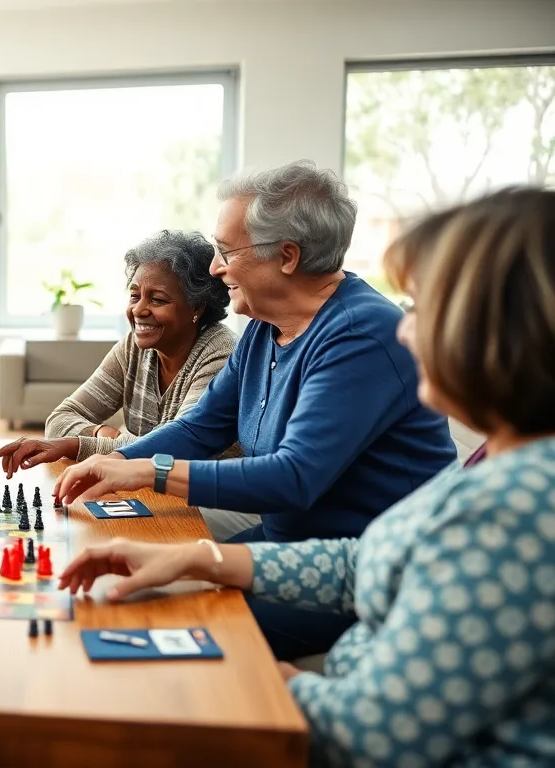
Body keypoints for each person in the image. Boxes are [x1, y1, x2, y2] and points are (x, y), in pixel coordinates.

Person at [56, 187, 555, 767]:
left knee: (162, 657)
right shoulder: (496, 471)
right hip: (304, 547)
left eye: (421, 307)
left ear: (494, 331)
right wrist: (200, 557)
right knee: (158, 610)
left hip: (341, 706)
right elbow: (361, 562)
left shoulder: (510, 511)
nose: (403, 330)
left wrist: (259, 671)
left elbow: (367, 734)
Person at [48, 160, 457, 660]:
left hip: (354, 572)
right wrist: (113, 464)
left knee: (154, 619)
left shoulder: (360, 334)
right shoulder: (266, 326)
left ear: (287, 256)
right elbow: (203, 427)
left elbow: (294, 477)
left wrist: (146, 469)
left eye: (225, 252)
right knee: (133, 584)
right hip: (286, 542)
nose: (216, 269)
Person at [0, 229, 238, 482]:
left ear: (197, 307)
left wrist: (78, 444)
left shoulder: (220, 351)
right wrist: (102, 432)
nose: (139, 310)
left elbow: (177, 452)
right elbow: (59, 419)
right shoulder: (133, 347)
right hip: (146, 487)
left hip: (208, 500)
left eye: (158, 299)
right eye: (134, 295)